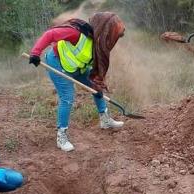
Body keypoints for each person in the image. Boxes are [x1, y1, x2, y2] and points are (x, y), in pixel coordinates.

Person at [29, 12, 125, 152]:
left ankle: (105, 120)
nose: (112, 39)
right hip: (57, 63)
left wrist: (96, 81)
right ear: (104, 30)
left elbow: (94, 66)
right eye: (111, 34)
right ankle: (61, 136)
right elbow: (50, 35)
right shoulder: (77, 33)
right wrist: (35, 53)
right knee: (67, 97)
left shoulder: (99, 42)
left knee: (96, 87)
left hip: (77, 67)